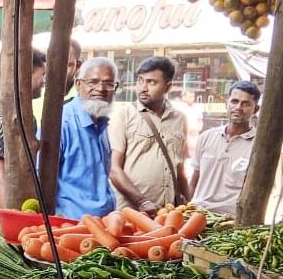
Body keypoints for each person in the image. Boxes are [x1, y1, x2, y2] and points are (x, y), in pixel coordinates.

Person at [108, 55, 189, 213]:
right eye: (140, 80)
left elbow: (180, 170)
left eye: (151, 82)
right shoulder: (124, 114)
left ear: (168, 87)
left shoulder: (179, 119)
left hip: (167, 213)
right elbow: (113, 169)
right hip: (131, 213)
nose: (143, 88)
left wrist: (189, 205)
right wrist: (142, 202)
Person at [41, 57, 119, 219]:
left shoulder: (101, 121)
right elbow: (40, 179)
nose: (101, 88)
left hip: (104, 226)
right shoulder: (61, 123)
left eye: (109, 83)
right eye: (93, 82)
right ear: (78, 84)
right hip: (70, 228)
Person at [0, 50, 47, 216]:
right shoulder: (0, 116)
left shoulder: (28, 117)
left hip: (21, 208)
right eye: (42, 74)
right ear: (26, 75)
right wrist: (13, 220)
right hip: (1, 213)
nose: (43, 81)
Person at [189, 80, 260, 217]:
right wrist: (187, 208)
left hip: (231, 220)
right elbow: (195, 179)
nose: (238, 107)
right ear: (226, 103)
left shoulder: (258, 146)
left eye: (245, 104)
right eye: (234, 101)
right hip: (198, 214)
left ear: (255, 109)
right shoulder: (206, 137)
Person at [179, 87, 205, 160]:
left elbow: (200, 120)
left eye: (193, 96)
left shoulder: (197, 108)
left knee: (193, 155)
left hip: (194, 135)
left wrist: (199, 127)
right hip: (183, 135)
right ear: (184, 97)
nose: (192, 98)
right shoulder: (179, 109)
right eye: (190, 96)